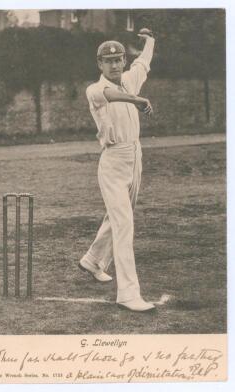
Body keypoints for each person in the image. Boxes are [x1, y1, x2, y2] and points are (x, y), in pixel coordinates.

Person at [78, 30, 156, 313]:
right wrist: (138, 100)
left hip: (135, 156)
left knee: (118, 218)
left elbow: (143, 63)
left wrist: (150, 40)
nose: (114, 65)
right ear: (99, 64)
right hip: (112, 161)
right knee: (124, 226)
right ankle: (128, 294)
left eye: (118, 59)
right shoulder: (95, 89)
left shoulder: (130, 78)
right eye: (108, 61)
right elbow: (112, 95)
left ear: (124, 60)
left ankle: (93, 260)